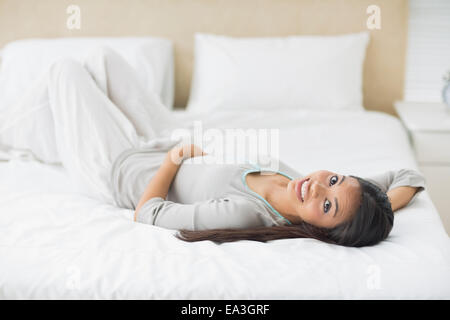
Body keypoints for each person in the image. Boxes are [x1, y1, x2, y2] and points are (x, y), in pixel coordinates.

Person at [5, 47, 425, 247]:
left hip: (121, 170)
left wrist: (174, 160)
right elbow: (406, 175)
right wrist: (374, 212)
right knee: (104, 60)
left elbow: (147, 214)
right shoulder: (299, 183)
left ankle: (14, 134)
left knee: (66, 72)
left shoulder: (248, 213)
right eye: (334, 179)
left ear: (324, 230)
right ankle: (54, 135)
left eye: (328, 205)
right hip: (165, 139)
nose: (317, 187)